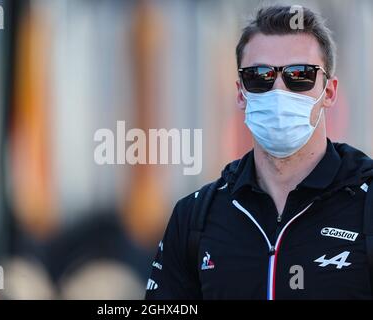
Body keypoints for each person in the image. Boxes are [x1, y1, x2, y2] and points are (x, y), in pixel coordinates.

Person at [145, 5, 373, 300]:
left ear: (328, 91)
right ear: (241, 93)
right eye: (259, 76)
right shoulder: (194, 218)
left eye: (299, 74)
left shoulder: (366, 205)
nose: (279, 91)